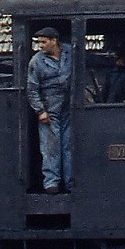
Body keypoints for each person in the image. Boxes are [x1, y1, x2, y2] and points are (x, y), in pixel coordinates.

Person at [27, 26, 72, 193]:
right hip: (49, 107)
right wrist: (40, 111)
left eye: (44, 42)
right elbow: (32, 89)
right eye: (39, 42)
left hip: (68, 105)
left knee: (68, 144)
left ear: (54, 41)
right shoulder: (36, 61)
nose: (40, 45)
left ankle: (69, 181)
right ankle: (51, 182)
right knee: (50, 147)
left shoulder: (69, 52)